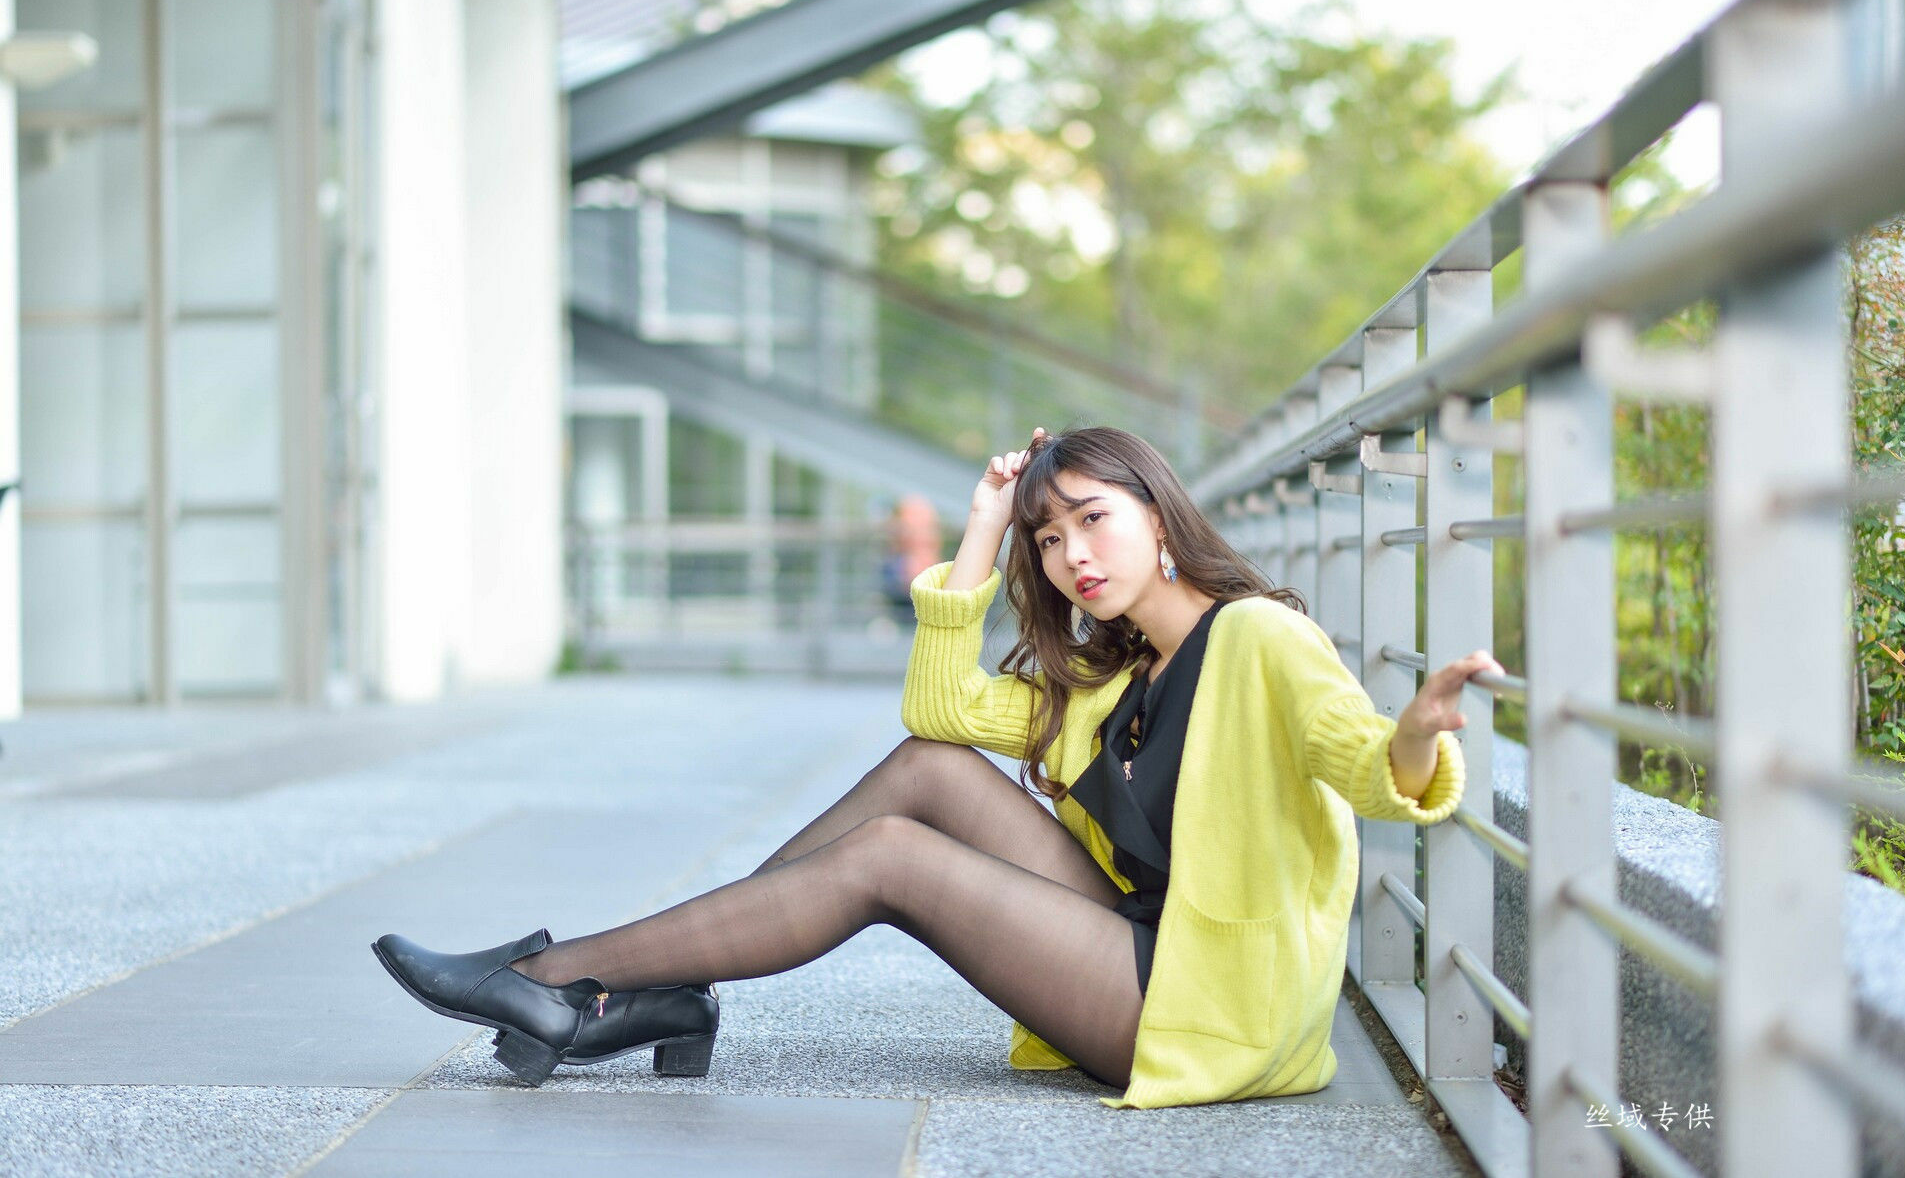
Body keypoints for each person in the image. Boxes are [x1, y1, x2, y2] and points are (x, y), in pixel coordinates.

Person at [372, 424, 1501, 1106]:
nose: (1071, 557)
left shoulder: (1257, 638)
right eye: (1048, 540)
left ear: (1160, 515)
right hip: (1141, 943)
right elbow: (940, 710)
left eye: (1092, 521)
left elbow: (1365, 766)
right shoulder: (1114, 678)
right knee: (929, 769)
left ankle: (566, 979)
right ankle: (651, 991)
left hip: (1210, 1004)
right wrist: (980, 528)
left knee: (890, 859)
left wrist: (1417, 729)